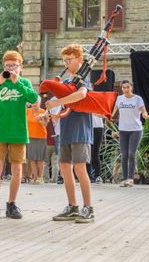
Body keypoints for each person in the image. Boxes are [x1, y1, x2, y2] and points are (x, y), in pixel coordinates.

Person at [0, 50, 38, 220]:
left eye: (14, 65)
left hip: (19, 133)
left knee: (17, 170)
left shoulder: (24, 82)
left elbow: (33, 98)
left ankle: (11, 204)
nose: (10, 68)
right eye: (7, 65)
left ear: (20, 67)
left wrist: (17, 82)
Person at [45, 44, 95, 224]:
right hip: (65, 128)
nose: (66, 64)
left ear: (80, 60)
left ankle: (88, 208)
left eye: (70, 60)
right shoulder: (67, 82)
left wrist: (58, 100)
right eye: (64, 60)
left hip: (80, 129)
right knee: (65, 167)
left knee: (79, 167)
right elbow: (62, 104)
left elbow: (81, 95)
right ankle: (73, 206)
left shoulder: (83, 80)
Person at [111, 80, 148, 187]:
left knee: (131, 154)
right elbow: (112, 113)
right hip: (123, 130)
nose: (126, 89)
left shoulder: (137, 99)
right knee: (124, 155)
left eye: (128, 87)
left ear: (131, 87)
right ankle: (125, 179)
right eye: (124, 88)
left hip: (135, 130)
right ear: (122, 89)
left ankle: (131, 179)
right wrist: (105, 116)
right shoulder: (119, 99)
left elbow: (143, 111)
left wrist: (145, 115)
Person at [26, 100, 47, 184]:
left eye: (36, 102)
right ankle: (35, 177)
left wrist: (41, 120)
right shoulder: (27, 111)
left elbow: (45, 124)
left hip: (41, 137)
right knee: (32, 159)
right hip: (30, 137)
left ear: (39, 103)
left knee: (40, 159)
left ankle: (40, 177)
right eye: (33, 102)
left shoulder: (43, 112)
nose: (34, 104)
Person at [88, 113, 105, 184]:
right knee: (88, 153)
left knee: (95, 153)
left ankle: (98, 176)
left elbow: (104, 115)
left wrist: (94, 112)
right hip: (87, 127)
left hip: (98, 127)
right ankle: (88, 176)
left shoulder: (99, 102)